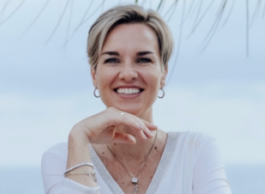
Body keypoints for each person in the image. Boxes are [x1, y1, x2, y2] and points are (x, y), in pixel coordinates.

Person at [41, 4, 232, 194]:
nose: (128, 73)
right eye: (112, 60)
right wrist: (79, 136)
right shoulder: (63, 158)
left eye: (143, 59)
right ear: (94, 75)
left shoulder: (196, 151)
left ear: (163, 74)